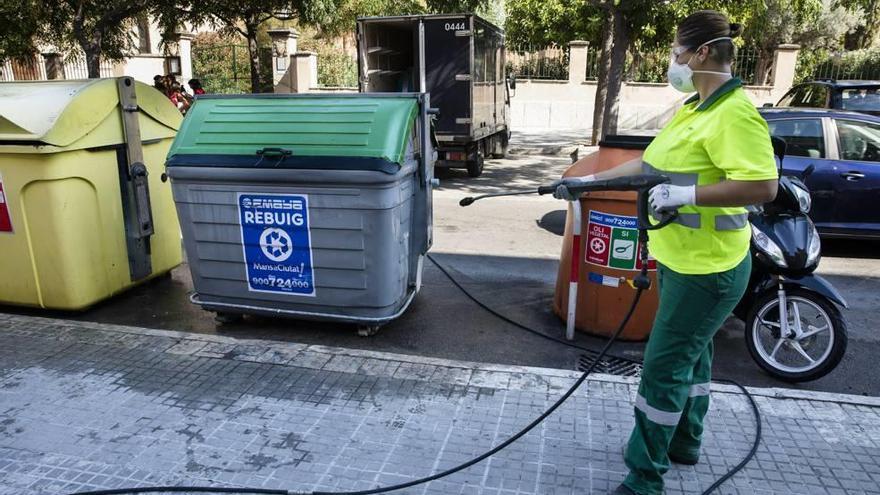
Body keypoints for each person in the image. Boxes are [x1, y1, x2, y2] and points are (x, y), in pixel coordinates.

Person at [554, 10, 778, 495]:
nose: (671, 61)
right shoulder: (695, 109)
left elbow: (762, 185)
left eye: (677, 51)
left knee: (663, 367)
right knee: (692, 359)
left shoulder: (734, 113)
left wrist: (687, 196)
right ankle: (684, 443)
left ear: (701, 54)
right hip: (682, 262)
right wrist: (586, 181)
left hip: (710, 270)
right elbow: (648, 162)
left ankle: (643, 478)